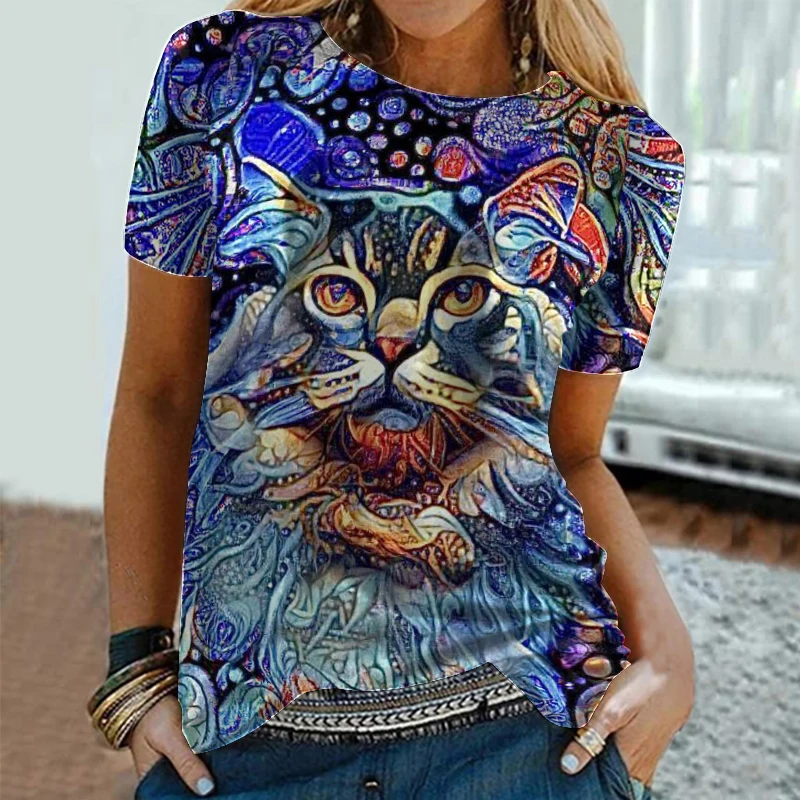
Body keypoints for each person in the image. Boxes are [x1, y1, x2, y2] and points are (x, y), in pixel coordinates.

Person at [90, 2, 694, 798]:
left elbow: (570, 450)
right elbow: (160, 393)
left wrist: (669, 655)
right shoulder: (219, 75)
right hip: (246, 742)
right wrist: (135, 669)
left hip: (526, 737)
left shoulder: (618, 156)